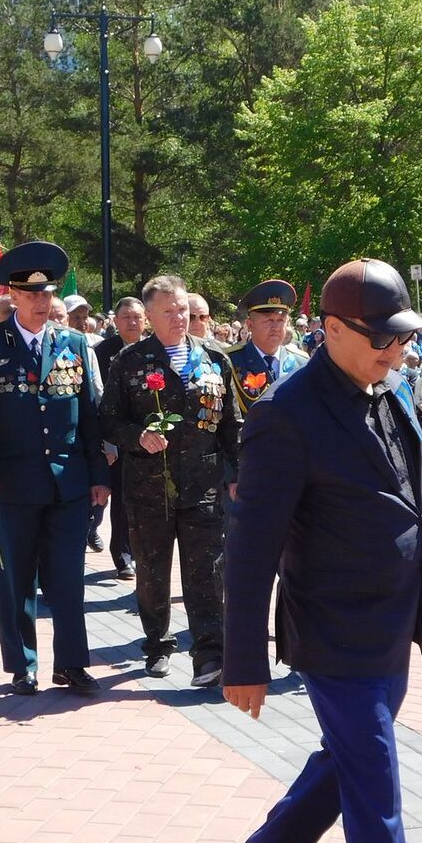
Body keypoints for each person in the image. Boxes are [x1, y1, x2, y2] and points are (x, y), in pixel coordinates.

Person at [222, 257, 422, 843]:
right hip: (332, 635)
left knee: (351, 758)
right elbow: (251, 546)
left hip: (392, 626)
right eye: (381, 339)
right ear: (329, 329)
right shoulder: (284, 416)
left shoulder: (385, 397)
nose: (396, 352)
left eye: (401, 338)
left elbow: (405, 508)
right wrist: (243, 659)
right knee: (376, 789)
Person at [0, 241, 110, 696]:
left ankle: (71, 664)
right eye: (33, 295)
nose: (42, 303)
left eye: (47, 294)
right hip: (12, 485)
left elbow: (89, 415)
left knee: (68, 578)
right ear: (12, 297)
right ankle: (23, 665)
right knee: (16, 578)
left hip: (67, 483)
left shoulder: (74, 343)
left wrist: (100, 476)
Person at [101, 274, 242, 686]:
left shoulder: (215, 358)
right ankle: (158, 644)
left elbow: (230, 423)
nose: (180, 317)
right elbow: (107, 419)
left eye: (183, 308)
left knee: (206, 572)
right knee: (152, 572)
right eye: (169, 311)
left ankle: (209, 655)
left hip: (204, 486)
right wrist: (137, 437)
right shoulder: (129, 361)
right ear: (148, 316)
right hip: (149, 489)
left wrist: (240, 472)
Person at [91, 296, 146, 580]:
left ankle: (138, 553)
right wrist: (106, 442)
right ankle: (123, 556)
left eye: (137, 317)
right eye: (126, 317)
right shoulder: (103, 352)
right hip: (117, 436)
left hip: (147, 437)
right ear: (115, 321)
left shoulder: (153, 349)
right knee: (121, 499)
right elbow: (98, 398)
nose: (132, 322)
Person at [229, 280, 307, 414]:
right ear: (250, 324)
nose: (276, 327)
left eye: (281, 320)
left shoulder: (301, 362)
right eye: (268, 320)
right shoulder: (231, 361)